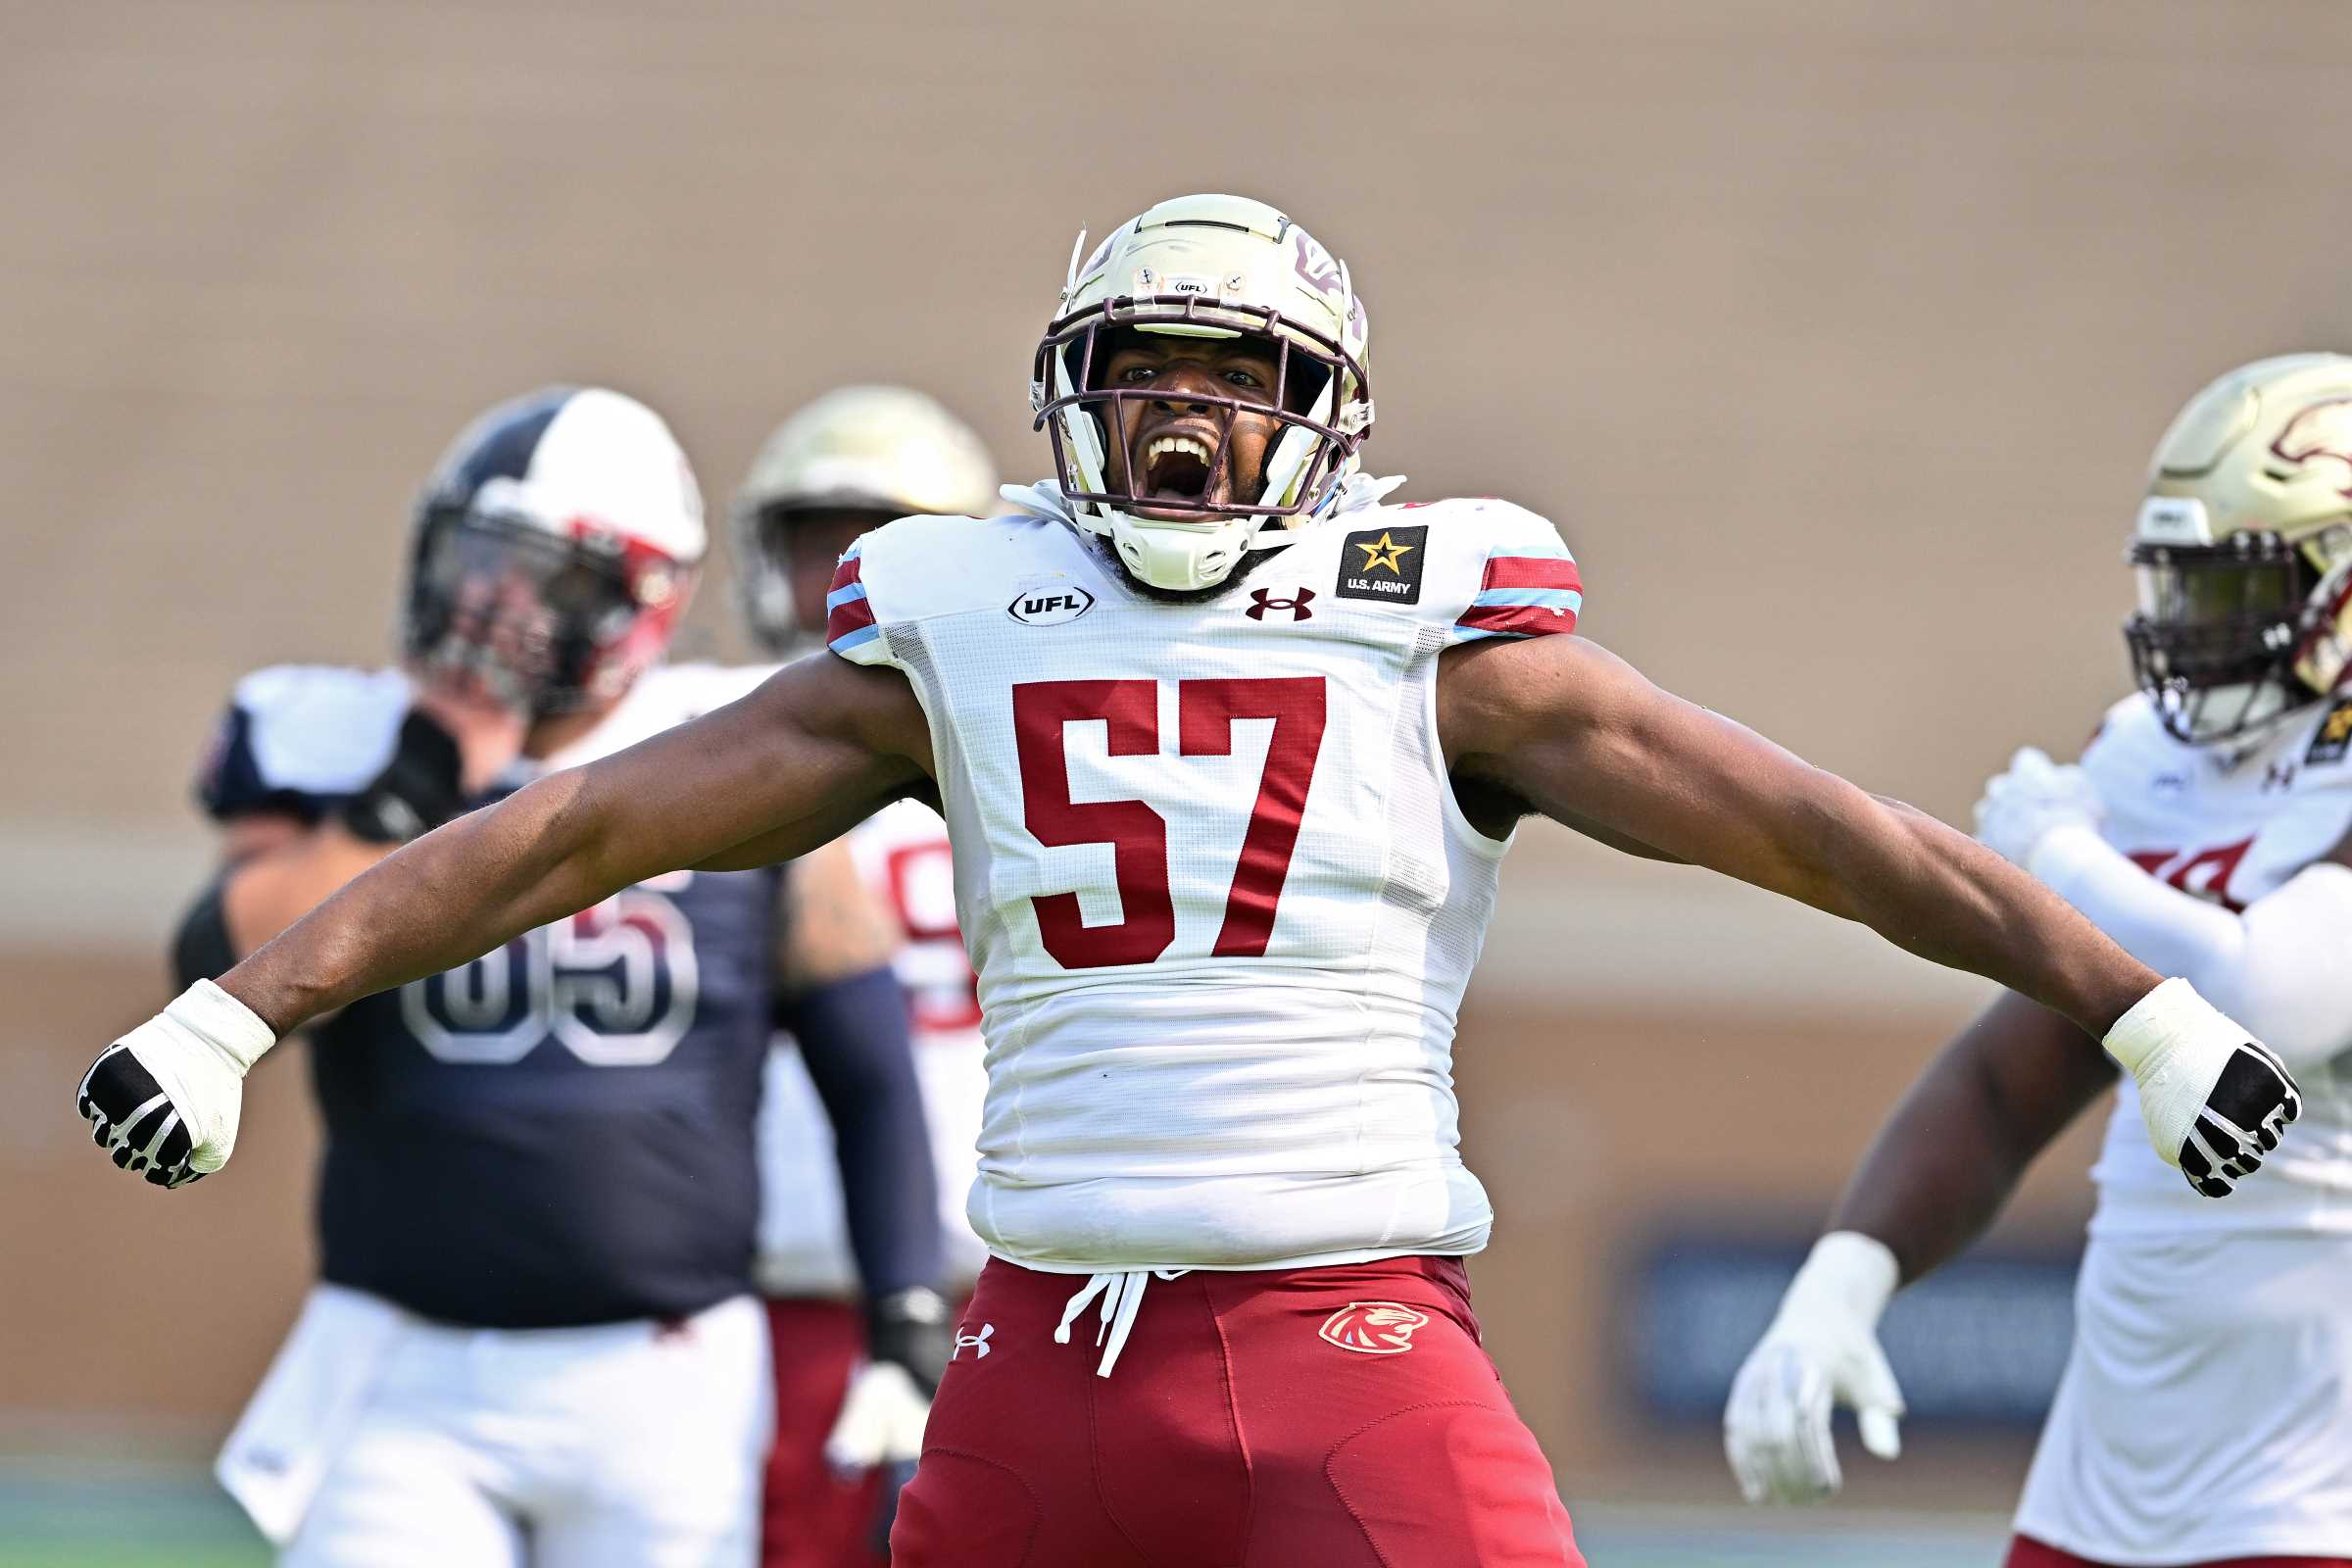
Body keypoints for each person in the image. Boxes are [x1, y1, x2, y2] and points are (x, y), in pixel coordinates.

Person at [81, 198, 2303, 1568]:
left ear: (1311, 418)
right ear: (1069, 396)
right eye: (1139, 372)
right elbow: (582, 827)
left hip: (1343, 1338)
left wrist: (2125, 998)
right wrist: (237, 1003)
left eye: (1227, 382)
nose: (1176, 418)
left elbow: (1823, 831)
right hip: (1042, 1350)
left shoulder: (1439, 632)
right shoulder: (954, 623)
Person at [170, 386, 946, 1568]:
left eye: (541, 576)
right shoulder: (339, 737)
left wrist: (902, 1307)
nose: (493, 604)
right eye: (477, 559)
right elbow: (216, 967)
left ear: (640, 599)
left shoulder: (722, 742)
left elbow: (866, 1056)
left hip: (666, 1368)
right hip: (399, 1351)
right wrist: (417, 784)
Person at [1724, 353, 2352, 1568]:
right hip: (2105, 1483)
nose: (2186, 634)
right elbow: (2013, 1076)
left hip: (2322, 1487)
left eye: (2230, 593)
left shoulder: (2108, 820)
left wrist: (2055, 859)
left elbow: (2255, 1004)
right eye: (2178, 590)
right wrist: (1845, 1276)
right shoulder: (2141, 760)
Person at [730, 385, 998, 1567]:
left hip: (1002, 1290)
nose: (842, 583)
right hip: (765, 1288)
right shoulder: (717, 756)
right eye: (815, 548)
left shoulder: (1013, 765)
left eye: (877, 549)